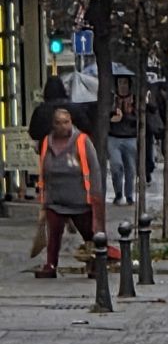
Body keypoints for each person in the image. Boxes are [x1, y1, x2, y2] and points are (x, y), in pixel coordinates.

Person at [35, 107, 103, 278]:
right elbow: (43, 170)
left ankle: (95, 263)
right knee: (54, 234)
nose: (63, 126)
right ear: (53, 124)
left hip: (80, 199)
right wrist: (43, 199)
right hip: (55, 198)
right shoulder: (46, 143)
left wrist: (95, 195)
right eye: (58, 123)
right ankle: (50, 266)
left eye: (66, 122)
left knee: (89, 233)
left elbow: (94, 169)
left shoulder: (81, 141)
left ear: (71, 122)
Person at [28, 76, 92, 145]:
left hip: (48, 148)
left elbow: (33, 133)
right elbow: (86, 127)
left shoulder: (40, 111)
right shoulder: (74, 108)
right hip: (72, 147)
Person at [108, 74, 137, 205]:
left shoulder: (135, 100)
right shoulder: (111, 100)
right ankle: (118, 193)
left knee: (130, 169)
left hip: (130, 138)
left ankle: (129, 195)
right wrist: (112, 118)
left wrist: (125, 117)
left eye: (125, 83)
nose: (123, 86)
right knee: (116, 166)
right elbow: (104, 116)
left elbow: (140, 118)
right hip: (114, 138)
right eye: (120, 83)